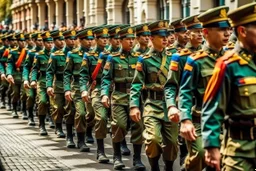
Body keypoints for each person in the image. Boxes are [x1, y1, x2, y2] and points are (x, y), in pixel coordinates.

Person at [202, 2, 256, 170]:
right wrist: (211, 147)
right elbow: (213, 108)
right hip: (239, 151)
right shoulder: (227, 65)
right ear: (242, 31)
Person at [177, 6, 231, 171]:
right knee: (200, 154)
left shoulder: (232, 58)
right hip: (201, 118)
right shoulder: (195, 61)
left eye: (229, 29)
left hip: (227, 120)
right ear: (206, 33)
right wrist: (185, 120)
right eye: (222, 30)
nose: (228, 33)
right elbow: (185, 92)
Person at [130, 20, 178, 171]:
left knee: (171, 143)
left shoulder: (174, 57)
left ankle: (169, 167)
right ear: (152, 38)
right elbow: (136, 84)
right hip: (152, 104)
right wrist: (133, 106)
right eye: (161, 36)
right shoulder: (144, 60)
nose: (165, 39)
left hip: (170, 105)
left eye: (167, 35)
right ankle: (155, 166)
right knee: (153, 140)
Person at [101, 25, 145, 170]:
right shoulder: (112, 58)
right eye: (128, 39)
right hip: (119, 97)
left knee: (138, 127)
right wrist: (104, 94)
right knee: (118, 126)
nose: (132, 42)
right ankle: (117, 157)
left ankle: (137, 159)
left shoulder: (139, 58)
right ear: (120, 41)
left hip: (136, 98)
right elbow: (106, 79)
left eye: (133, 39)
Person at [79, 26, 110, 161]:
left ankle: (121, 146)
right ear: (96, 39)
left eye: (106, 38)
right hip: (96, 88)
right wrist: (84, 89)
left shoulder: (112, 54)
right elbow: (83, 75)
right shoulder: (89, 55)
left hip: (112, 89)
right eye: (102, 38)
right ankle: (101, 151)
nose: (105, 40)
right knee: (99, 117)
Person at [63, 28, 94, 152]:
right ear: (80, 40)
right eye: (87, 39)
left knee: (91, 113)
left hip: (90, 87)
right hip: (76, 87)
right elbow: (66, 73)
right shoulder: (73, 54)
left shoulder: (95, 55)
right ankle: (77, 139)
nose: (90, 42)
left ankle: (88, 132)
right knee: (77, 112)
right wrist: (67, 89)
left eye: (92, 39)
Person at [30, 31, 53, 136]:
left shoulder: (56, 54)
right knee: (43, 102)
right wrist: (33, 80)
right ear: (44, 43)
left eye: (51, 42)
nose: (50, 44)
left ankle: (57, 124)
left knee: (57, 105)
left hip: (54, 81)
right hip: (43, 81)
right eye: (48, 42)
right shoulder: (38, 55)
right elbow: (34, 69)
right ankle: (42, 125)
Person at [46, 30, 66, 138]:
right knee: (58, 107)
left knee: (71, 109)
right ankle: (58, 127)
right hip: (58, 83)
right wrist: (49, 85)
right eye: (59, 40)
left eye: (63, 39)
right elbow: (49, 72)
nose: (62, 42)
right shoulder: (54, 55)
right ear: (54, 41)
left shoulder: (69, 53)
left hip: (70, 84)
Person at [23, 32, 44, 125]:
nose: (41, 42)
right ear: (34, 41)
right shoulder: (31, 53)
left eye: (42, 40)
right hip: (33, 78)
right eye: (39, 40)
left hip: (43, 79)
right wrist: (26, 79)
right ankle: (30, 115)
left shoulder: (50, 52)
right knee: (31, 96)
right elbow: (26, 67)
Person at [6, 33, 28, 118]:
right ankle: (14, 109)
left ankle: (24, 110)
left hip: (25, 75)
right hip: (16, 75)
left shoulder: (28, 52)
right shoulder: (13, 52)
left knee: (25, 94)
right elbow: (10, 64)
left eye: (24, 41)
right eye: (21, 41)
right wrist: (9, 74)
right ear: (18, 42)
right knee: (15, 93)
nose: (23, 43)